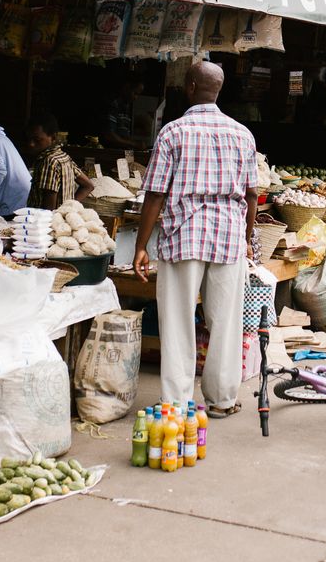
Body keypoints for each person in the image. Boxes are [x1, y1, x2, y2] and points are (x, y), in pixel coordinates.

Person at [134, 62, 258, 417]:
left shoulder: (173, 132)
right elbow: (252, 195)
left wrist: (141, 245)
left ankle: (175, 403)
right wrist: (246, 238)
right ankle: (221, 399)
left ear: (190, 86)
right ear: (218, 89)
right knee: (226, 321)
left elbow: (155, 194)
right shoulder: (242, 134)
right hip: (228, 236)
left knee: (177, 319)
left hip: (182, 235)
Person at [26, 113, 93, 210]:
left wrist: (55, 214)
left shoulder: (49, 161)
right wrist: (67, 208)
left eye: (37, 140)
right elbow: (88, 186)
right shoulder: (63, 156)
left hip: (43, 222)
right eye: (29, 139)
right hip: (60, 219)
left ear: (53, 138)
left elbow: (48, 208)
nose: (31, 144)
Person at [100, 75, 144, 150]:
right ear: (126, 87)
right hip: (109, 154)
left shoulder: (126, 107)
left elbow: (123, 135)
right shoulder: (113, 105)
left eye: (138, 95)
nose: (136, 97)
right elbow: (109, 135)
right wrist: (134, 144)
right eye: (135, 93)